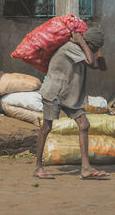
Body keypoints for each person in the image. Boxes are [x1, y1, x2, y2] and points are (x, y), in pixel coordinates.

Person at [34, 27, 109, 180]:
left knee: (84, 125)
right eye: (94, 48)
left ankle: (86, 168)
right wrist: (82, 42)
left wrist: (97, 49)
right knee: (47, 127)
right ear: (89, 44)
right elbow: (91, 62)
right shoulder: (71, 48)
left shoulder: (84, 49)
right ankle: (38, 167)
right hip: (54, 93)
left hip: (69, 95)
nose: (94, 51)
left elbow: (102, 67)